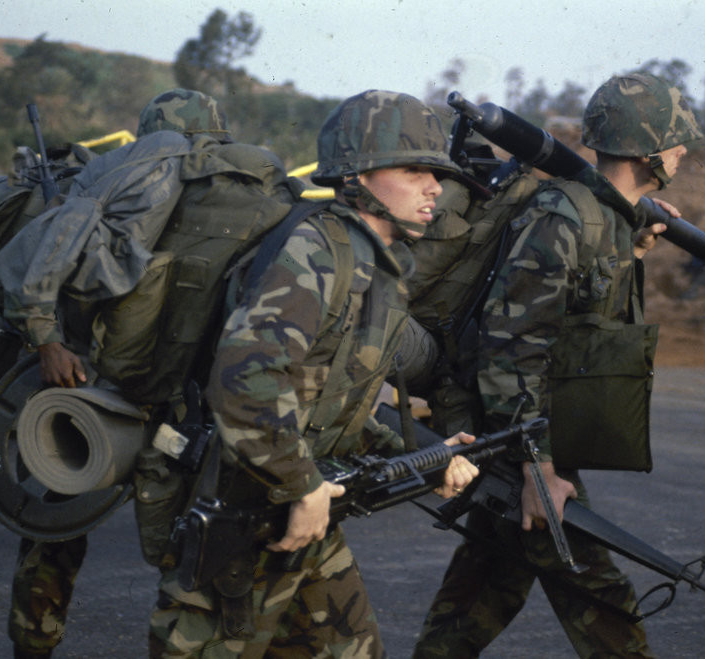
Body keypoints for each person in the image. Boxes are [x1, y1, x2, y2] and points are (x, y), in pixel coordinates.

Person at [147, 89, 479, 658]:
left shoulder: (375, 267)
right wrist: (303, 486)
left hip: (303, 512)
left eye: (438, 173)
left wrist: (430, 452)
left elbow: (333, 402)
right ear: (358, 175)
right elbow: (243, 382)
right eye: (415, 169)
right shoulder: (317, 250)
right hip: (246, 518)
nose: (435, 187)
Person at [412, 73, 703, 658]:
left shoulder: (603, 216)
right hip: (518, 441)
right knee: (598, 594)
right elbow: (512, 344)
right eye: (676, 142)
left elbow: (583, 322)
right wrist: (535, 467)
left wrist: (632, 244)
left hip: (522, 438)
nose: (684, 152)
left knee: (486, 586)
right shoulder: (565, 218)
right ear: (649, 153)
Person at [8, 88, 231, 659]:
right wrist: (48, 341)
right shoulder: (143, 177)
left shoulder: (211, 197)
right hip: (93, 383)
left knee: (175, 544)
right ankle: (33, 645)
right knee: (56, 532)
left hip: (168, 391)